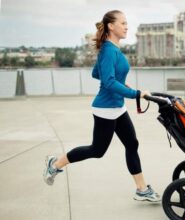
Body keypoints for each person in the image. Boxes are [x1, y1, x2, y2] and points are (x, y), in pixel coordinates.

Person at [43, 10, 160, 202]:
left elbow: (97, 74)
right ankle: (55, 164)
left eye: (126, 23)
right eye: (123, 23)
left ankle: (142, 189)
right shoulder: (108, 50)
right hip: (106, 109)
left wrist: (120, 84)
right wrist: (136, 94)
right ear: (111, 26)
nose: (126, 26)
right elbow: (107, 82)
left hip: (117, 107)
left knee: (132, 144)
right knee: (97, 151)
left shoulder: (112, 48)